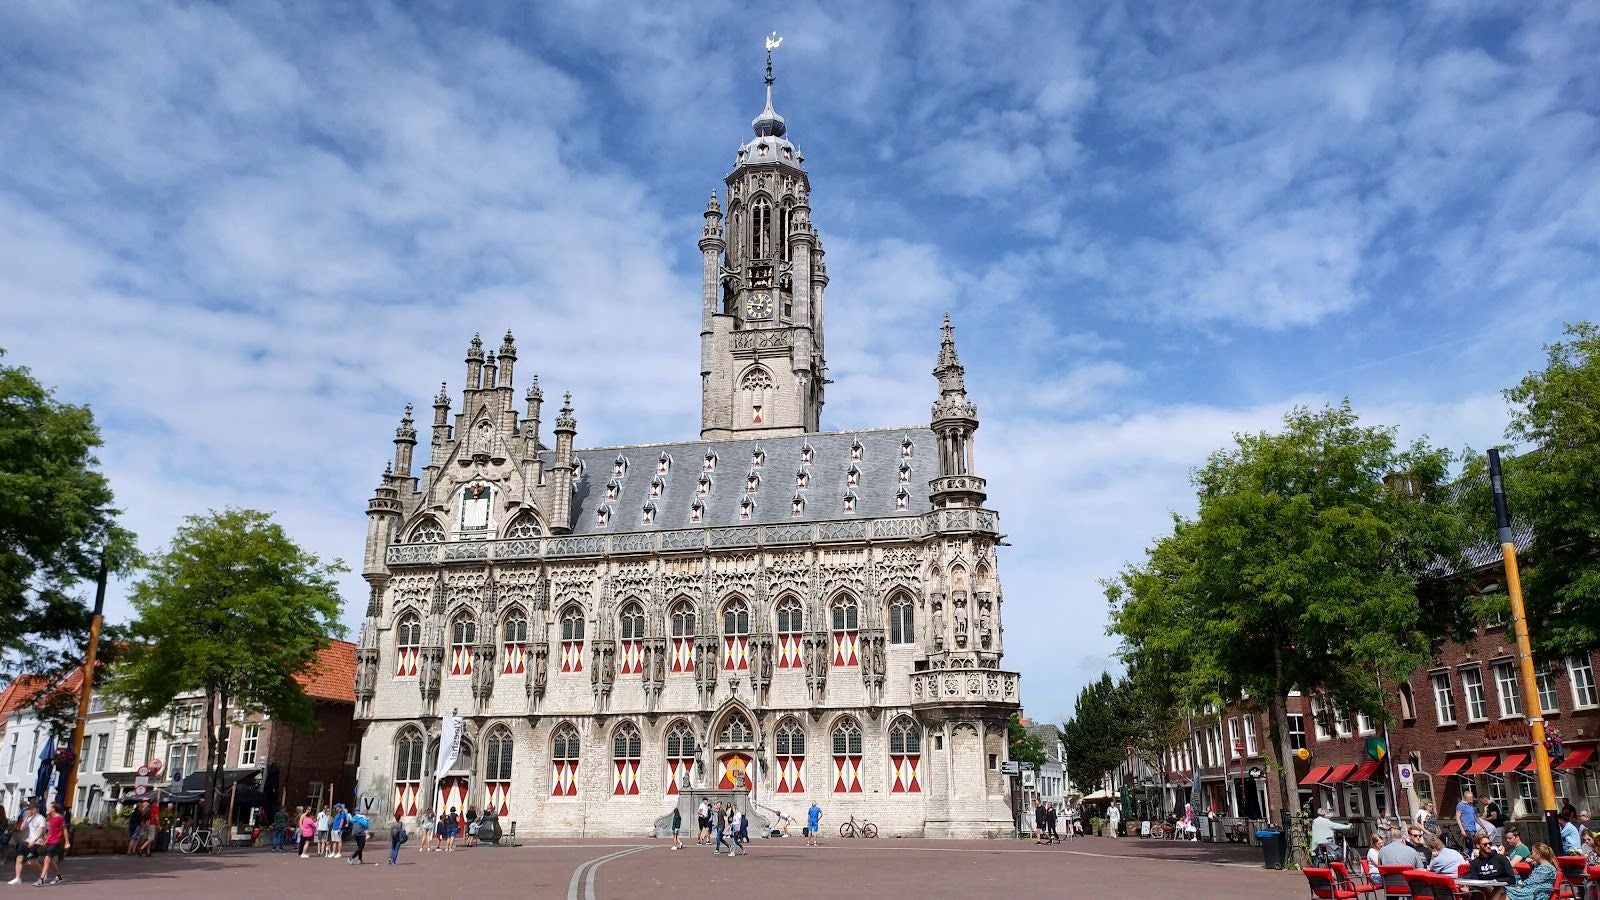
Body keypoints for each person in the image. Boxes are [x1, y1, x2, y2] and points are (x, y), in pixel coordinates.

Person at [36, 802, 68, 886]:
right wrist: (45, 840)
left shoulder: (60, 818)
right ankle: (58, 876)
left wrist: (67, 842)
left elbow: (64, 829)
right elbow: (49, 831)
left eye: (49, 807)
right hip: (49, 841)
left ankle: (41, 879)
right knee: (47, 860)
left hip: (56, 841)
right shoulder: (49, 818)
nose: (48, 808)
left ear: (53, 808)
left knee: (47, 859)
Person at [7, 809, 42, 886]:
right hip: (24, 841)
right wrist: (26, 817)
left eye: (32, 809)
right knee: (19, 858)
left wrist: (35, 841)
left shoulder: (40, 819)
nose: (30, 811)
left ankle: (42, 875)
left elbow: (41, 831)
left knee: (30, 861)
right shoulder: (28, 818)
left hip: (34, 842)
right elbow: (21, 828)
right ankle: (18, 878)